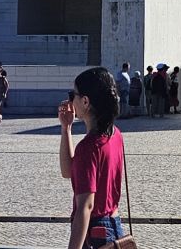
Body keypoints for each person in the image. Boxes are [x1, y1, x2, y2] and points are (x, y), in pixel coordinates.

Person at [56, 66, 127, 249]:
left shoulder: (88, 148)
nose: (70, 100)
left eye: (73, 95)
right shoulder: (115, 135)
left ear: (85, 101)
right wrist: (66, 128)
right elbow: (68, 172)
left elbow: (86, 207)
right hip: (115, 226)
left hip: (95, 233)